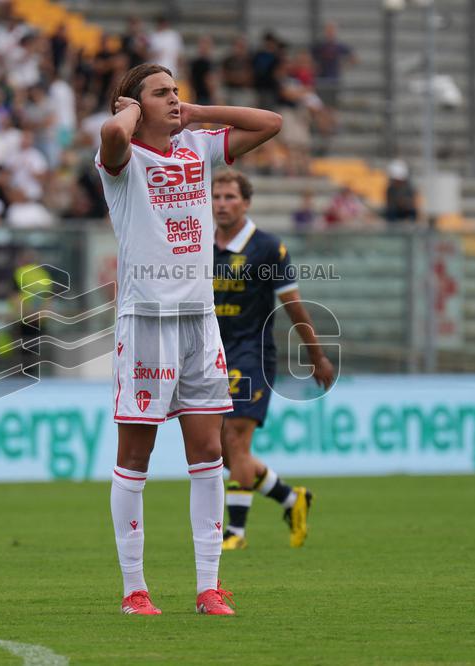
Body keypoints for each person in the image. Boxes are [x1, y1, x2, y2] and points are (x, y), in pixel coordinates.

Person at [95, 63, 282, 616]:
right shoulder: (122, 160)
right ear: (132, 107)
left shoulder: (196, 147)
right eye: (162, 93)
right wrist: (128, 111)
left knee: (207, 452)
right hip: (147, 321)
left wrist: (194, 112)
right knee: (137, 455)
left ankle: (208, 586)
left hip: (201, 324)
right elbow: (110, 136)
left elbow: (269, 122)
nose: (174, 100)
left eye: (177, 90)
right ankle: (135, 589)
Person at [211, 171, 335, 551]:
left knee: (236, 438)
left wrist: (315, 355)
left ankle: (236, 533)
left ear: (246, 203)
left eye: (230, 196)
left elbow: (294, 306)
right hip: (210, 357)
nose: (221, 203)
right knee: (221, 451)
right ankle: (291, 499)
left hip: (251, 355)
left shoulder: (267, 248)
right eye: (216, 196)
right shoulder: (198, 243)